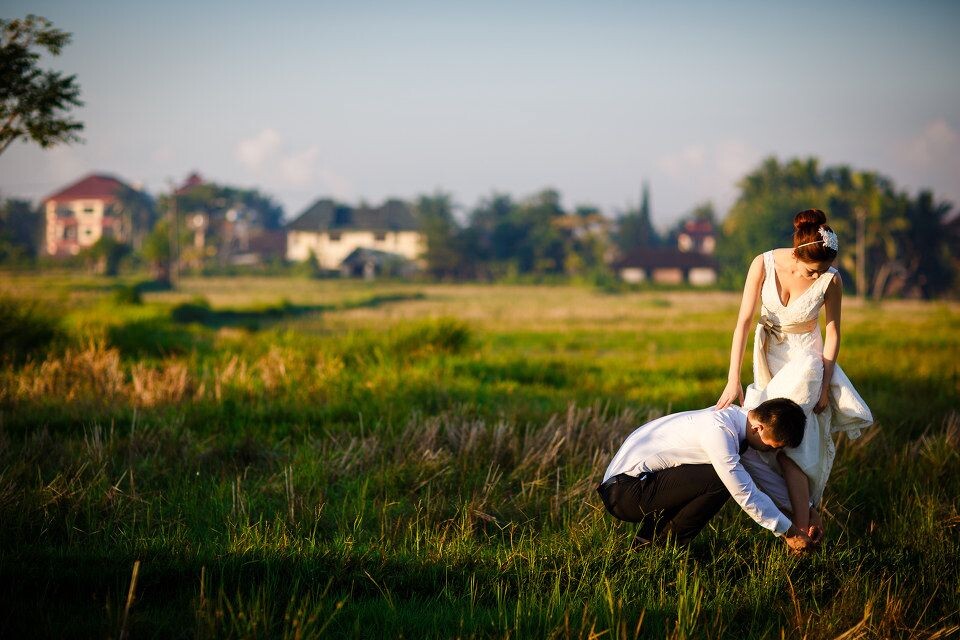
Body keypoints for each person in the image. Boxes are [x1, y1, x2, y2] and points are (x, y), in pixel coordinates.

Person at [715, 209, 873, 536]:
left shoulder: (832, 279)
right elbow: (744, 322)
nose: (819, 277)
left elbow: (834, 332)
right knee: (773, 442)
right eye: (814, 271)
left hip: (807, 361)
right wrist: (733, 379)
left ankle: (800, 527)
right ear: (798, 255)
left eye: (825, 270)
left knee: (790, 440)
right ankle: (806, 518)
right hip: (768, 358)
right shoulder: (763, 263)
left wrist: (826, 384)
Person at [597, 398, 819, 553]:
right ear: (758, 428)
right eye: (773, 447)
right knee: (722, 478)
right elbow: (744, 492)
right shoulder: (719, 431)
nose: (772, 452)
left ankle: (648, 545)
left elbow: (765, 479)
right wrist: (787, 531)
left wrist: (808, 511)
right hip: (623, 493)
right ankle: (660, 548)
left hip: (635, 485)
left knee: (725, 474)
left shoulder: (738, 425)